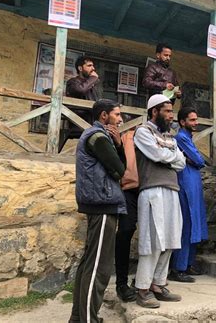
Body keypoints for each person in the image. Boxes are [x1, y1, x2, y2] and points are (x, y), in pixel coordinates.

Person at [69, 99, 126, 323]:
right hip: (102, 205)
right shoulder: (98, 137)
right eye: (117, 115)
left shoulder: (99, 136)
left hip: (100, 203)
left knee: (88, 265)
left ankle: (78, 317)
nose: (120, 119)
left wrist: (119, 144)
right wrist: (119, 145)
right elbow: (120, 170)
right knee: (98, 269)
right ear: (104, 116)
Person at [134, 94, 186, 308]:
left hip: (172, 189)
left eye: (172, 111)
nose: (171, 116)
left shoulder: (171, 137)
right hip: (152, 190)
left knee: (171, 240)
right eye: (167, 111)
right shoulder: (142, 132)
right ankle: (142, 288)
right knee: (154, 241)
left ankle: (158, 284)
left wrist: (169, 156)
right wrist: (170, 156)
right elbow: (157, 156)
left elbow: (181, 162)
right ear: (154, 111)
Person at [168, 107, 208, 282]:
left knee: (194, 224)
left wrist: (194, 159)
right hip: (185, 184)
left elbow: (199, 161)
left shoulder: (187, 138)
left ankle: (188, 264)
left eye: (196, 119)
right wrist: (194, 159)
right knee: (186, 225)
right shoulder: (181, 137)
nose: (196, 123)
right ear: (182, 122)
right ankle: (179, 267)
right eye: (192, 120)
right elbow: (199, 160)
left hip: (193, 184)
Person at [115, 122, 139, 303]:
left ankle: (143, 280)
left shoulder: (161, 136)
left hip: (150, 190)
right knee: (125, 231)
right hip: (129, 190)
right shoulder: (125, 138)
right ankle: (121, 284)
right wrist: (118, 144)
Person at [61, 56, 100, 151]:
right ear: (80, 68)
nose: (93, 68)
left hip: (92, 123)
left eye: (93, 66)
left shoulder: (91, 86)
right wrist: (93, 78)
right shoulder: (73, 82)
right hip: (79, 122)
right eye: (89, 65)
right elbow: (80, 90)